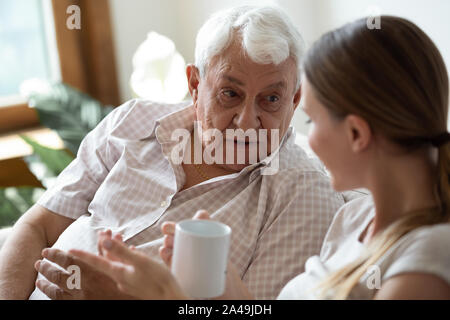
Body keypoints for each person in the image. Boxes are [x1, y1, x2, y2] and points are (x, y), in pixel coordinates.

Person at [66, 15, 450, 300]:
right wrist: (222, 285)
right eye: (231, 94)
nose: (304, 142)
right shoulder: (355, 220)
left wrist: (166, 298)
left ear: (356, 134)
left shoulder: (422, 267)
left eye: (311, 120)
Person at [0, 5, 345, 300]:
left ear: (294, 100)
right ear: (195, 85)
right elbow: (38, 227)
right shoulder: (134, 121)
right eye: (230, 93)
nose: (246, 122)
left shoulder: (303, 193)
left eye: (270, 99)